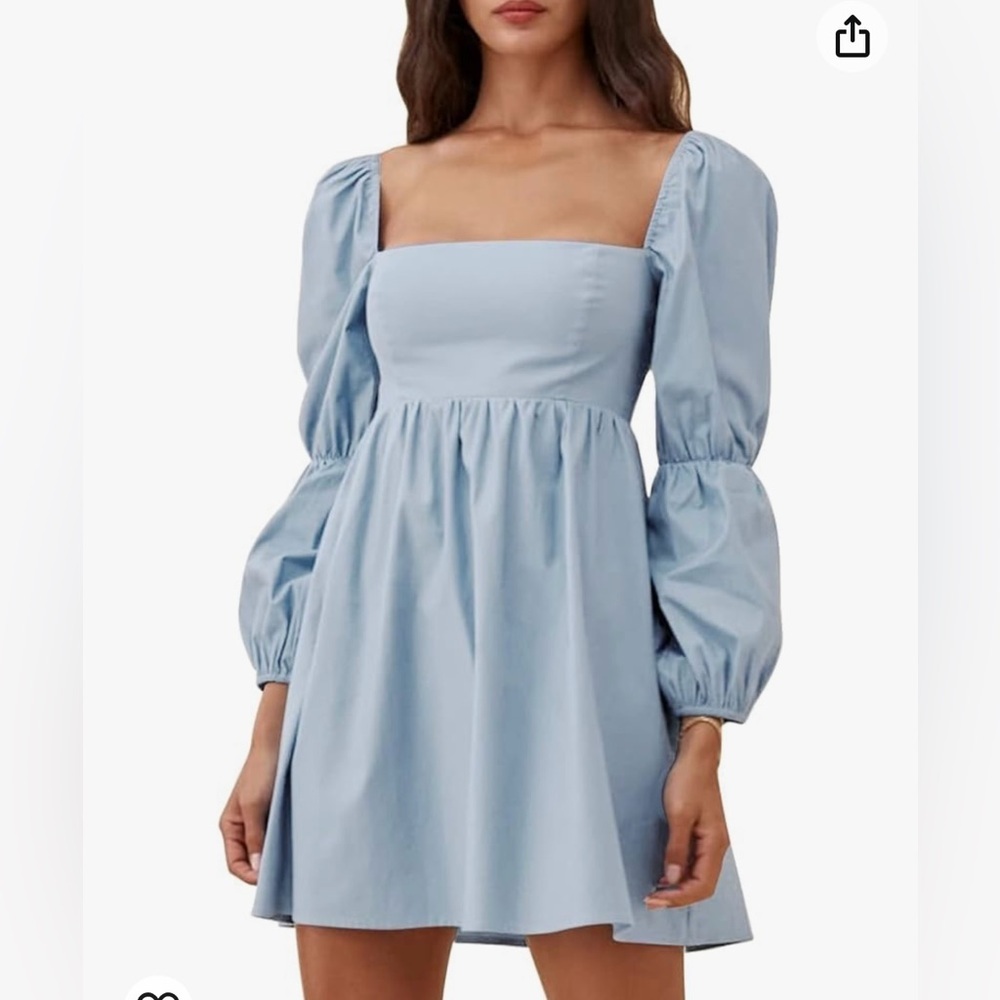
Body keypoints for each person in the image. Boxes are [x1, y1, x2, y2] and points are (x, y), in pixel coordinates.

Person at [218, 0, 782, 996]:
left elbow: (708, 465)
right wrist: (272, 725)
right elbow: (335, 464)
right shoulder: (366, 192)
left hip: (578, 663)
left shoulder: (687, 180)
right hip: (369, 667)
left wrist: (703, 729)